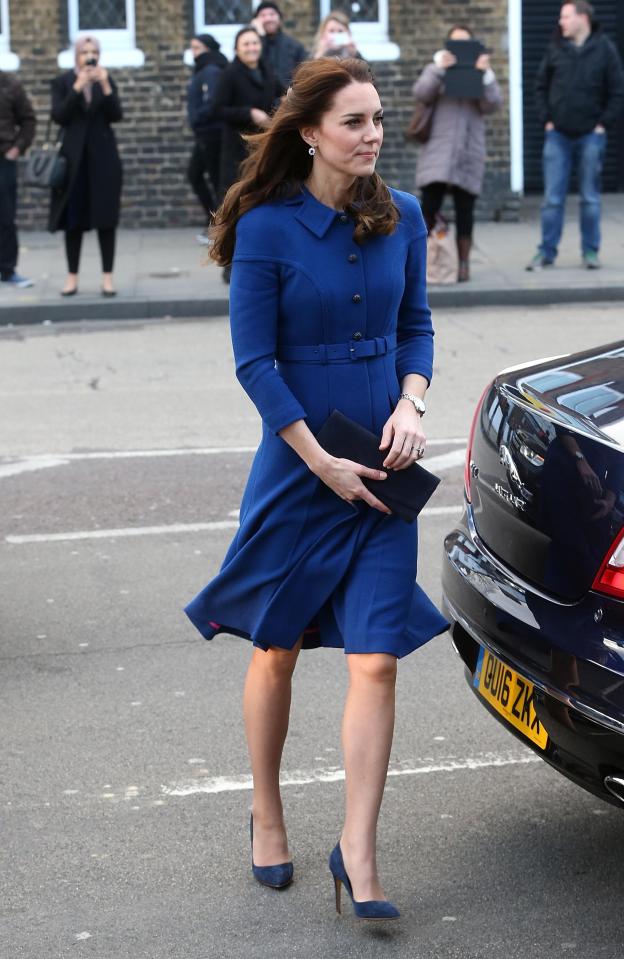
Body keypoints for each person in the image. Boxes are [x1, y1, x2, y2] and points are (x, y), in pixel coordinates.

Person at [184, 57, 447, 919]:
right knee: (279, 648)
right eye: (356, 122)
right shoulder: (265, 226)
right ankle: (267, 810)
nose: (374, 134)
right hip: (304, 468)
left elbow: (416, 324)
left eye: (378, 118)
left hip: (385, 466)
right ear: (309, 132)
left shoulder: (401, 214)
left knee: (375, 659)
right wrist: (318, 460)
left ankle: (359, 851)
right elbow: (253, 362)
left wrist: (412, 402)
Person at [526, 1, 624, 271]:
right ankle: (546, 252)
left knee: (590, 198)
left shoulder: (605, 49)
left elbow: (618, 89)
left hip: (591, 135)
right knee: (552, 199)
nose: (561, 22)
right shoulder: (555, 48)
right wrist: (546, 120)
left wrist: (603, 124)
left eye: (566, 16)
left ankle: (590, 252)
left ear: (582, 18)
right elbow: (540, 86)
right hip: (557, 134)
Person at [413, 24, 502, 282]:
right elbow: (421, 93)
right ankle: (422, 260)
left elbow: (493, 105)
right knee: (429, 205)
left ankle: (463, 264)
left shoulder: (482, 72)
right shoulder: (436, 69)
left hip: (468, 149)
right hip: (439, 148)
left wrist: (485, 76)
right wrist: (439, 69)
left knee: (466, 209)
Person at [49, 36, 123, 297]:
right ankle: (72, 277)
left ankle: (107, 277)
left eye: (94, 52)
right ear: (76, 55)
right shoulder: (63, 82)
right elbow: (59, 116)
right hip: (73, 161)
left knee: (106, 219)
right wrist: (78, 87)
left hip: (104, 160)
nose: (89, 57)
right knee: (73, 220)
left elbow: (117, 114)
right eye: (85, 52)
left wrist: (103, 83)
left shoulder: (106, 80)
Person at [212, 27, 284, 215]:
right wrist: (249, 113)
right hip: (238, 146)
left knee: (262, 191)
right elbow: (218, 109)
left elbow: (282, 93)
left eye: (255, 43)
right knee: (237, 193)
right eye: (246, 44)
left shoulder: (266, 69)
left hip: (263, 143)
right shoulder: (230, 73)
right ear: (237, 49)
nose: (251, 48)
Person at [186, 33, 228, 244]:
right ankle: (214, 223)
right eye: (192, 48)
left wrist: (196, 118)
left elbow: (213, 102)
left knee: (213, 179)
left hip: (211, 134)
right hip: (205, 133)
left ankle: (218, 228)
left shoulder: (211, 70)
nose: (194, 52)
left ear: (208, 48)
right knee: (195, 175)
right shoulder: (203, 69)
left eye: (197, 48)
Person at [0, 70, 36, 288]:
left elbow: (28, 120)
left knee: (5, 217)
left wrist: (17, 149)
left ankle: (7, 269)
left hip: (3, 159)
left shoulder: (9, 84)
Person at [250, 1, 307, 89]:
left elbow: (304, 74)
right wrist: (261, 37)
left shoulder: (294, 46)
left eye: (272, 14)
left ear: (279, 19)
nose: (268, 19)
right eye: (263, 15)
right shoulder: (250, 48)